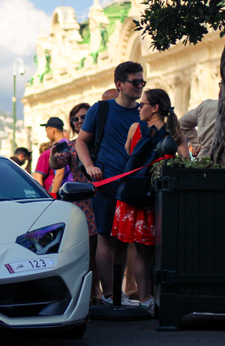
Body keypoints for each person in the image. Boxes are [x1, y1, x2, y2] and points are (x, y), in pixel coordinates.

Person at [111, 89, 190, 315]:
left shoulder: (136, 130)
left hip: (133, 198)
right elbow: (184, 161)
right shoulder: (174, 132)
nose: (139, 107)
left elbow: (129, 155)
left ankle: (145, 300)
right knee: (157, 252)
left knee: (140, 252)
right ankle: (157, 296)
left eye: (143, 104)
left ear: (154, 108)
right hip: (158, 199)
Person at [75, 61, 145, 306]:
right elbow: (81, 141)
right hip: (107, 183)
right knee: (105, 236)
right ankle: (108, 295)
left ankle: (119, 293)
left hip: (135, 184)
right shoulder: (101, 109)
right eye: (134, 82)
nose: (139, 86)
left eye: (142, 82)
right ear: (119, 84)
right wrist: (90, 166)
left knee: (125, 239)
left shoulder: (144, 111)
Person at [49, 103, 101, 304]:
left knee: (102, 249)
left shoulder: (102, 141)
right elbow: (58, 164)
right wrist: (53, 157)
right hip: (81, 204)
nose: (79, 121)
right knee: (86, 250)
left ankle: (102, 292)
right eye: (75, 119)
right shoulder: (70, 146)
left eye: (84, 117)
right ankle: (88, 292)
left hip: (103, 198)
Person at [34, 117, 68, 195]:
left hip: (65, 190)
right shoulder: (68, 144)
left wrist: (53, 196)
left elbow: (60, 173)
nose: (46, 135)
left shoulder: (60, 146)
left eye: (47, 131)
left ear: (52, 130)